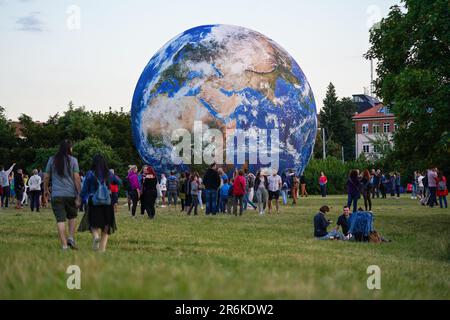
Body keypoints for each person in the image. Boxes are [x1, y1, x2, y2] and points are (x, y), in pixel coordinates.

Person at [44, 140, 81, 250]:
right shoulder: (73, 160)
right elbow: (77, 178)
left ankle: (64, 246)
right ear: (69, 149)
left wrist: (45, 190)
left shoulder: (52, 160)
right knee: (72, 216)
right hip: (71, 194)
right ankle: (70, 238)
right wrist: (79, 194)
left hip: (57, 195)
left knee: (60, 220)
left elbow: (46, 177)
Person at [79, 155, 118, 252]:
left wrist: (82, 198)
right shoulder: (109, 174)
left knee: (92, 222)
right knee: (106, 226)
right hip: (107, 202)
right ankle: (102, 249)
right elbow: (119, 182)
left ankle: (96, 236)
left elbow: (84, 189)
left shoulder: (90, 173)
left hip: (94, 200)